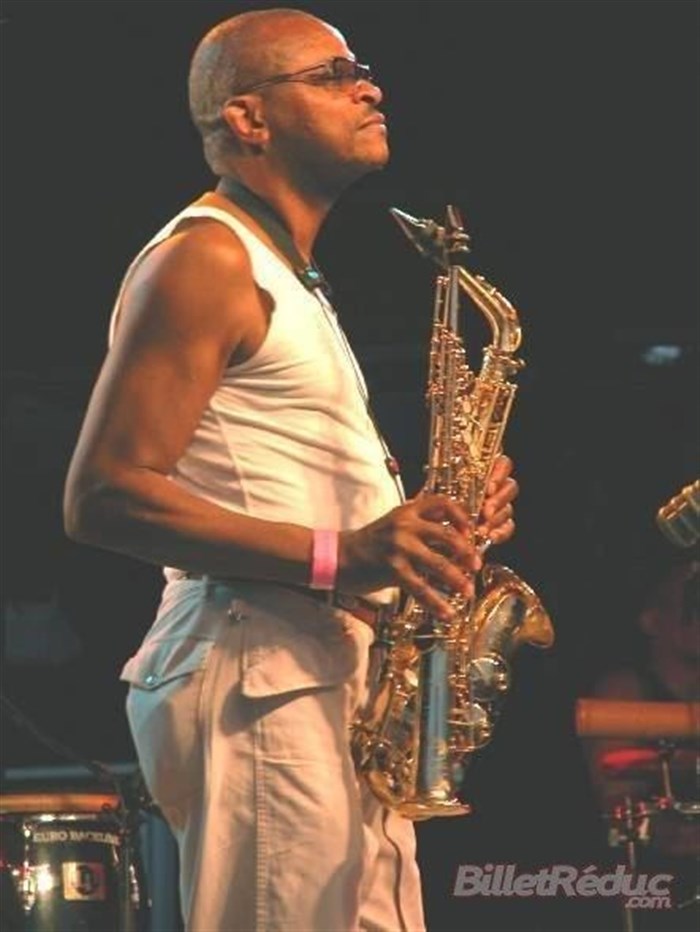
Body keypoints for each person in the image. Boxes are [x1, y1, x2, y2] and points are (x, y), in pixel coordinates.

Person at [63, 8, 519, 931]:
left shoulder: (285, 270)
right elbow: (103, 496)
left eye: (364, 69)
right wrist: (345, 554)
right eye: (332, 73)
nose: (369, 87)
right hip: (258, 671)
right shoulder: (206, 256)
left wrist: (434, 522)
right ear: (248, 118)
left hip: (327, 677)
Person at [583, 557, 700, 930]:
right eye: (690, 595)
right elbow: (620, 803)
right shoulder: (623, 692)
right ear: (651, 619)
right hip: (651, 892)